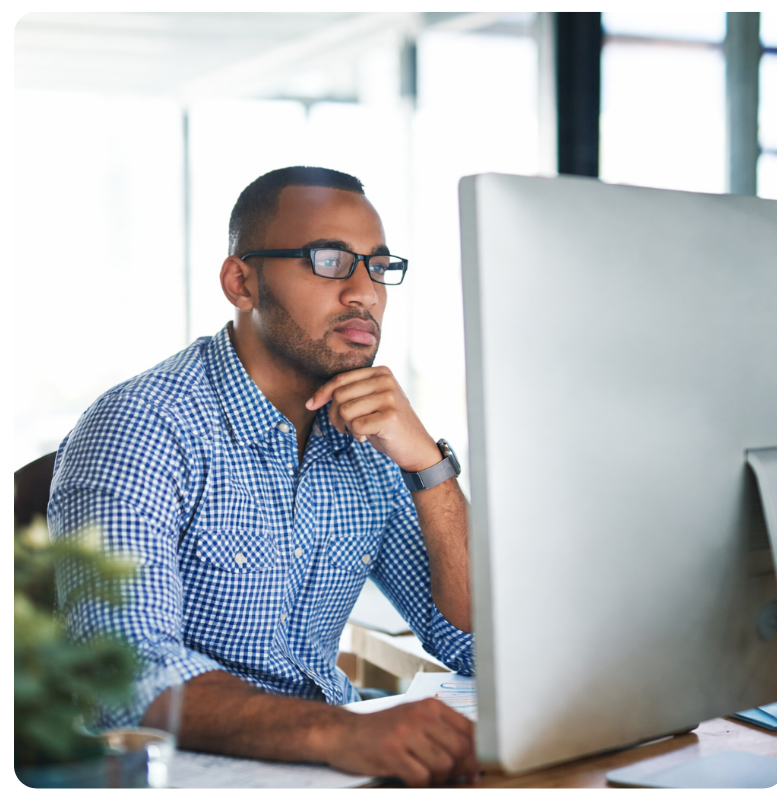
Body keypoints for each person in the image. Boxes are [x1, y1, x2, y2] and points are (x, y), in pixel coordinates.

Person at [49, 166, 477, 787]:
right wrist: (344, 732)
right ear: (241, 281)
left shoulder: (370, 437)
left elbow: (470, 641)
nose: (365, 293)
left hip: (335, 768)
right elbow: (127, 677)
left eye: (378, 266)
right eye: (330, 260)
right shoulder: (142, 428)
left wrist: (427, 467)